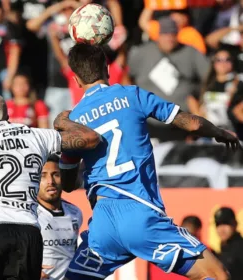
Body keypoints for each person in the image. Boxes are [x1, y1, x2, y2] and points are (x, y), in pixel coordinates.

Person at [59, 43, 240, 280]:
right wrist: (218, 132)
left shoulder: (73, 120)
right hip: (140, 214)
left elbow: (69, 183)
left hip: (103, 225)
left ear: (76, 79)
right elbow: (193, 123)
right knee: (216, 275)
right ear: (107, 68)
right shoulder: (132, 95)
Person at [0, 82, 100, 280]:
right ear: (6, 117)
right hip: (29, 236)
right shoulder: (37, 135)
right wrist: (64, 121)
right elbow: (90, 138)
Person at [128, 16, 210, 142]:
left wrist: (199, 101)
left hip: (181, 123)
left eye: (173, 34)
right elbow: (127, 76)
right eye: (165, 34)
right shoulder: (142, 52)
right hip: (149, 123)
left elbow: (210, 77)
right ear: (158, 35)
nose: (169, 38)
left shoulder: (191, 52)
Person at [37, 154, 83, 280]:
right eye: (43, 176)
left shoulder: (75, 212)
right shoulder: (28, 214)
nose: (50, 181)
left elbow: (72, 252)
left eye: (56, 174)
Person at [214, 207, 243, 280]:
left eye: (226, 223)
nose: (221, 229)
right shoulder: (223, 249)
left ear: (235, 224)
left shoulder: (240, 247)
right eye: (218, 224)